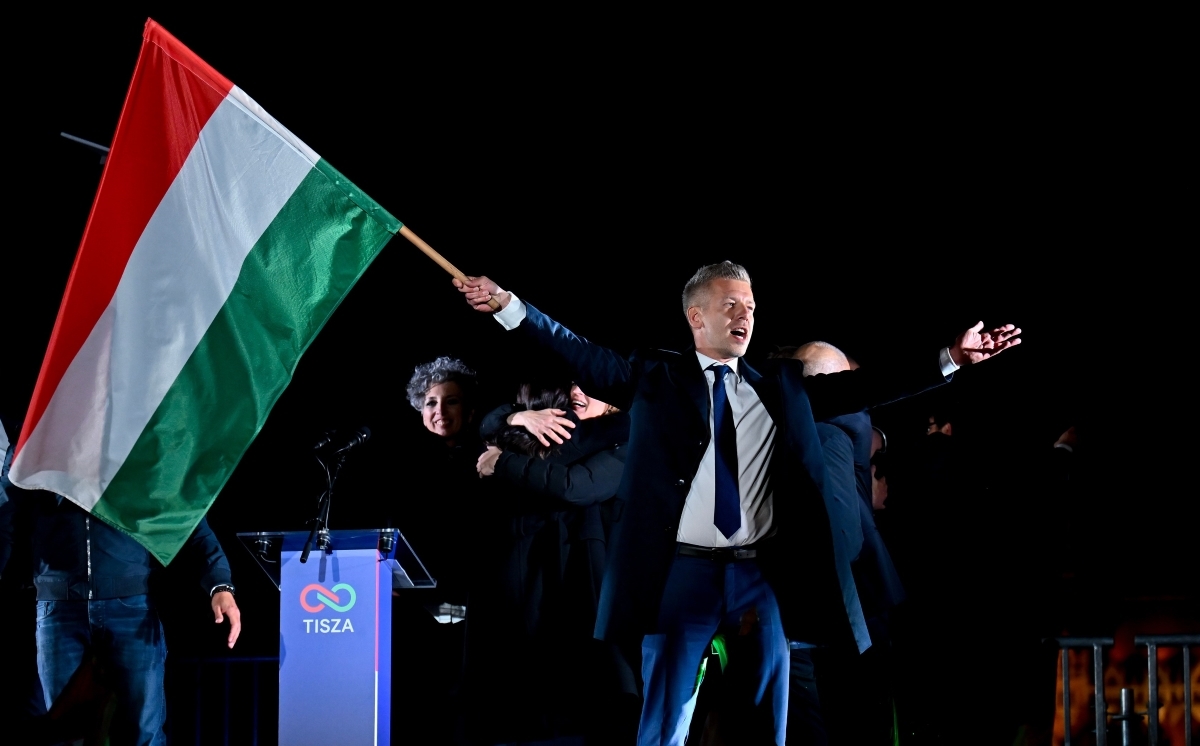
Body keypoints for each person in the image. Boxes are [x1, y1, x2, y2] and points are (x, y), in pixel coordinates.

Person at [454, 261, 1021, 744]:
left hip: (761, 576)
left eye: (749, 304)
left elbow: (867, 388)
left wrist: (950, 357)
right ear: (695, 317)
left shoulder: (783, 384)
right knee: (665, 717)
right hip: (683, 572)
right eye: (728, 305)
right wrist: (511, 307)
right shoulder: (657, 378)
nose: (744, 314)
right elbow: (581, 352)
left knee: (765, 714)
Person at [0, 424, 239, 746]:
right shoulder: (35, 438)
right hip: (58, 608)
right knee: (62, 733)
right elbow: (5, 521)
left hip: (130, 605)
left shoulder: (141, 442)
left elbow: (191, 519)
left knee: (143, 733)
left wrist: (220, 585)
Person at [469, 383, 637, 743]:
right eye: (573, 383)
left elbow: (576, 486)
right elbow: (487, 427)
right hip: (540, 572)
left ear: (611, 404)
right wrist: (517, 417)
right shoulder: (555, 438)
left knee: (590, 697)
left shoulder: (628, 435)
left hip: (594, 583)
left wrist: (503, 460)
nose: (577, 390)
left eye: (590, 386)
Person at [788, 341, 908, 745]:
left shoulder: (826, 431)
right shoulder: (853, 424)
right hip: (864, 592)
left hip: (843, 598)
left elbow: (841, 532)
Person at [393, 356, 483, 743]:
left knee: (465, 707)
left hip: (476, 601)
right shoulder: (399, 466)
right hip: (415, 608)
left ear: (470, 408)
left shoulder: (487, 457)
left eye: (452, 401)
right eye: (431, 402)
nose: (440, 411)